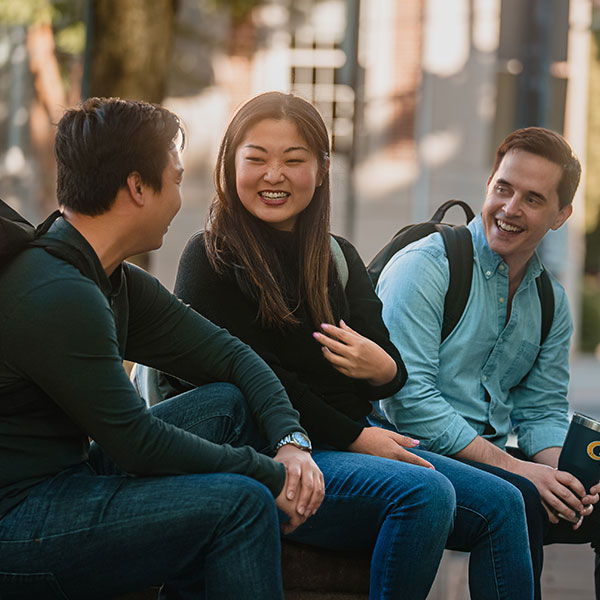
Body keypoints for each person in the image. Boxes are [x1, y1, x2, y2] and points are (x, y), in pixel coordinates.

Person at [172, 90, 535, 599]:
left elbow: (392, 369)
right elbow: (256, 381)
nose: (273, 175)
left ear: (320, 170)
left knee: (506, 503)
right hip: (271, 451)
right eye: (256, 159)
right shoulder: (211, 258)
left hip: (353, 438)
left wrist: (379, 366)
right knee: (424, 495)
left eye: (293, 160)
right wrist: (355, 437)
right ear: (229, 164)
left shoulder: (336, 257)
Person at [0, 97, 326, 600]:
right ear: (137, 187)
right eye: (175, 179)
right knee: (240, 503)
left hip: (69, 480)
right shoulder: (57, 292)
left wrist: (291, 439)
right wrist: (268, 473)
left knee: (226, 404)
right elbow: (138, 442)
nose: (179, 199)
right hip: (18, 523)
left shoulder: (112, 278)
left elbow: (232, 357)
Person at [375, 126, 600, 599]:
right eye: (503, 188)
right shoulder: (427, 266)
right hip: (403, 456)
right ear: (489, 185)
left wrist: (565, 478)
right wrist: (521, 471)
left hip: (489, 460)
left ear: (561, 215)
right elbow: (409, 405)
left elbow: (539, 412)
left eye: (533, 199)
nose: (510, 208)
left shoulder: (551, 302)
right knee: (517, 497)